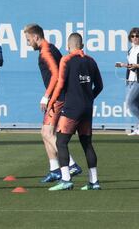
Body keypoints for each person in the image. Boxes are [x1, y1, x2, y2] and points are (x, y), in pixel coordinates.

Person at [24, 24, 82, 183]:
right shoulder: (51, 48)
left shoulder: (46, 52)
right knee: (45, 133)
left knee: (48, 133)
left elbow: (56, 75)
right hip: (59, 96)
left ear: (36, 37)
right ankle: (55, 169)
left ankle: (71, 164)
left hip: (57, 97)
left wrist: (46, 96)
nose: (28, 44)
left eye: (28, 40)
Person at [47, 33, 103, 191]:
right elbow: (100, 85)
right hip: (87, 108)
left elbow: (60, 84)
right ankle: (94, 181)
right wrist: (89, 98)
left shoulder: (66, 59)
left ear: (68, 45)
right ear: (82, 45)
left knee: (61, 142)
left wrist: (51, 101)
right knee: (87, 144)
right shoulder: (91, 61)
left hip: (72, 108)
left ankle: (66, 180)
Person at [115, 27, 139, 135]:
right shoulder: (131, 50)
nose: (135, 38)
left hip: (137, 80)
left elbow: (135, 65)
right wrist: (122, 65)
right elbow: (130, 65)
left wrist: (136, 66)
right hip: (130, 80)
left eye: (137, 36)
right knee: (136, 104)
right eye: (133, 36)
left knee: (129, 103)